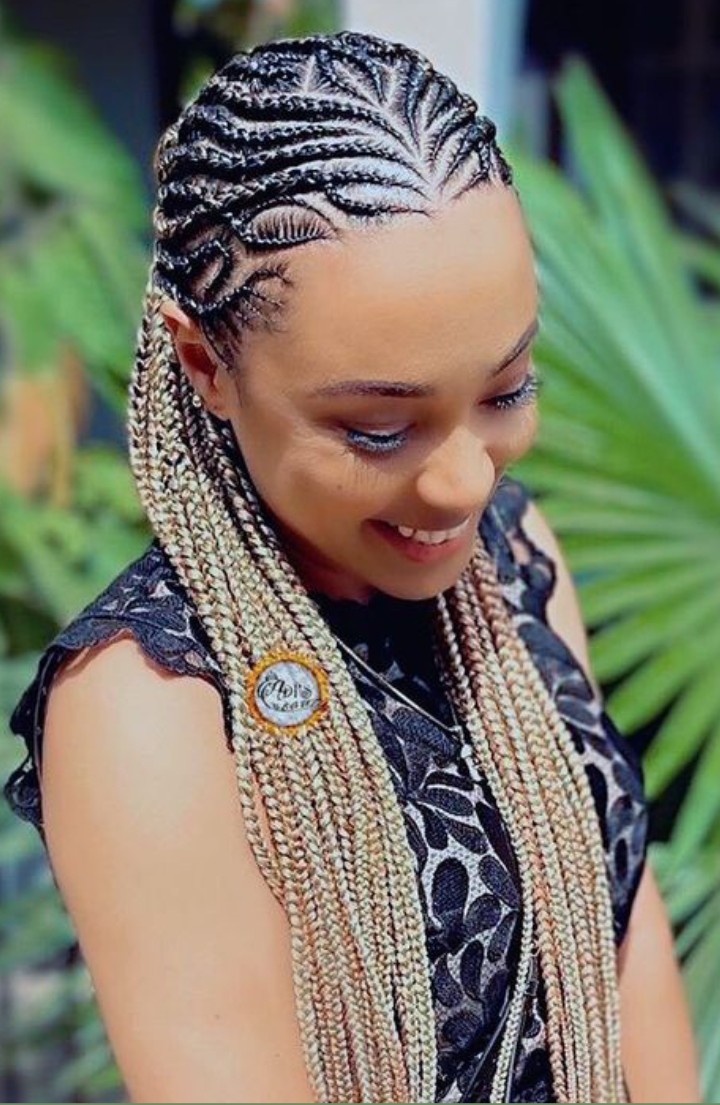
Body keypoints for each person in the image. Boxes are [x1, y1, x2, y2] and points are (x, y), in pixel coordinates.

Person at [4, 30, 699, 1105]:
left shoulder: (515, 559)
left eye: (506, 390)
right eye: (380, 430)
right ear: (206, 364)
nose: (464, 483)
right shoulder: (148, 703)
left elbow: (621, 946)